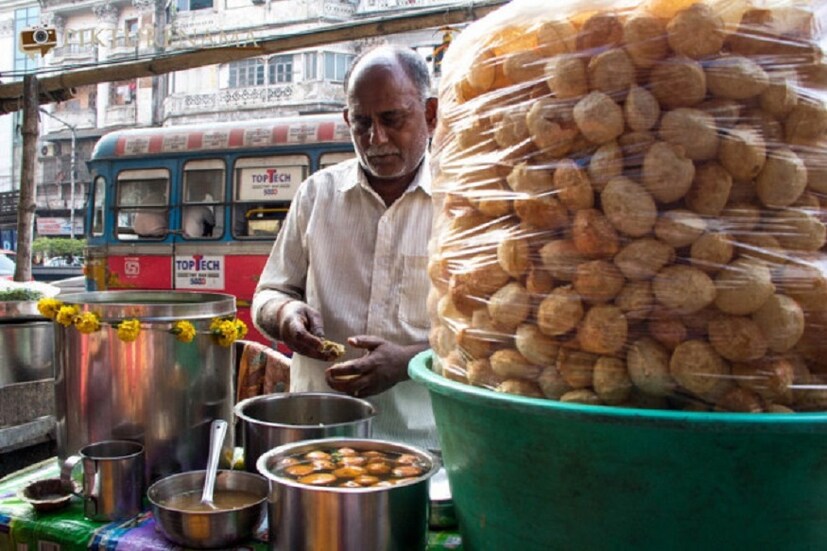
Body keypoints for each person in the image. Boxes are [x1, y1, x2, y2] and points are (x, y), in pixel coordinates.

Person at [252, 44, 439, 450]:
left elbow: (485, 338)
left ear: (430, 114)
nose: (376, 138)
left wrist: (408, 361)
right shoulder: (317, 195)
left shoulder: (462, 203)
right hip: (318, 436)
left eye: (392, 119)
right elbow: (269, 293)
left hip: (425, 446)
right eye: (361, 123)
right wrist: (284, 314)